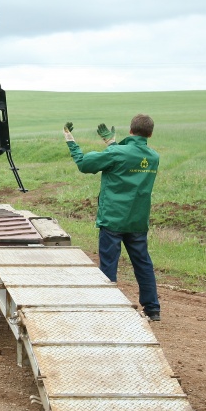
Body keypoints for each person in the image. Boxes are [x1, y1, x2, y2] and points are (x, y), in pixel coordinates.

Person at [63, 115, 161, 321]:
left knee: (108, 265)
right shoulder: (153, 157)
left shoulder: (116, 153)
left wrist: (70, 141)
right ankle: (152, 309)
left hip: (113, 219)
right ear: (150, 134)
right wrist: (111, 143)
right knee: (143, 264)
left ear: (131, 130)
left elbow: (84, 164)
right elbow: (128, 159)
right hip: (138, 221)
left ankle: (108, 308)